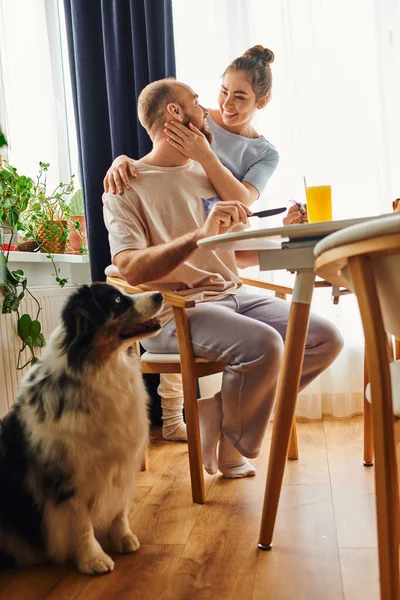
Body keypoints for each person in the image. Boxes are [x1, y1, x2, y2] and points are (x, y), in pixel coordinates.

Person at [102, 77, 343, 479]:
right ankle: (233, 442)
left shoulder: (207, 173)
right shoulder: (125, 185)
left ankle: (216, 413)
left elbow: (235, 255)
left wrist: (288, 234)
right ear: (175, 113)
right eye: (197, 100)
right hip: (173, 311)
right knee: (265, 344)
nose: (208, 109)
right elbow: (129, 268)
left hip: (232, 294)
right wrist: (199, 235)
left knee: (324, 338)